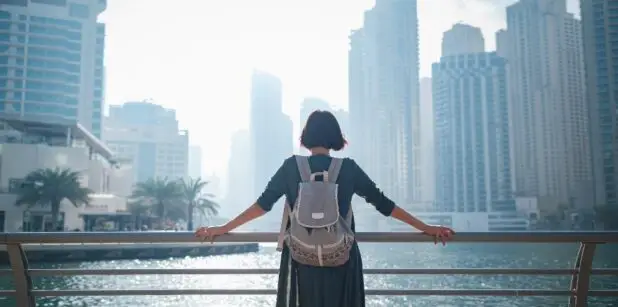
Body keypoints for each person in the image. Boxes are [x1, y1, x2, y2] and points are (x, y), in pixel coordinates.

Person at [195, 110, 455, 307]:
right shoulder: (348, 168)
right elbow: (385, 205)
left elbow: (262, 206)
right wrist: (427, 228)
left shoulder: (290, 167)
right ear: (335, 137)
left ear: (306, 137)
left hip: (301, 259)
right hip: (340, 259)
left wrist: (223, 228)